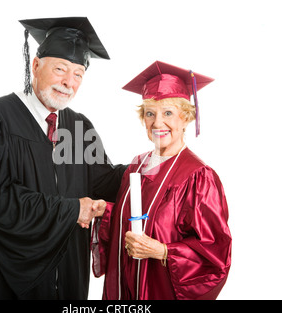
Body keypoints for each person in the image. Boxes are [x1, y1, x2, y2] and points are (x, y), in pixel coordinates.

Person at [0, 17, 127, 300]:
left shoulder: (80, 128)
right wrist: (71, 210)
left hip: (68, 279)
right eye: (61, 69)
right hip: (8, 279)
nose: (69, 82)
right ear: (36, 66)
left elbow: (105, 182)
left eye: (78, 74)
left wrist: (151, 165)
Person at [92, 61, 232, 300]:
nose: (157, 123)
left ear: (185, 118)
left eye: (168, 113)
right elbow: (136, 220)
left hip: (159, 289)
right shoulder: (137, 166)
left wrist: (165, 251)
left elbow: (215, 253)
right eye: (150, 114)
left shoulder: (199, 176)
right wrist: (106, 211)